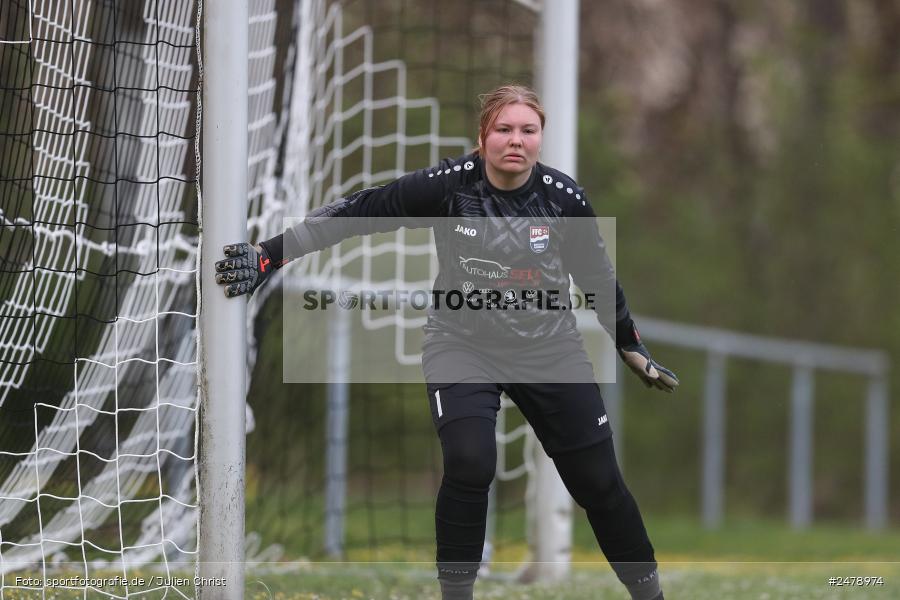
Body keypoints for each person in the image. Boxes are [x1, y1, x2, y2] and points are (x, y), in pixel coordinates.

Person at [215, 85, 678, 600]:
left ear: (540, 138)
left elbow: (597, 278)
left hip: (550, 350)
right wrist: (269, 255)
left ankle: (650, 595)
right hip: (462, 344)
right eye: (504, 129)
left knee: (599, 484)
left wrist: (630, 347)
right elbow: (361, 210)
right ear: (482, 138)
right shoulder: (447, 186)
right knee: (470, 460)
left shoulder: (563, 199)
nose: (516, 141)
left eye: (528, 130)